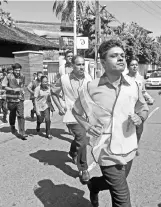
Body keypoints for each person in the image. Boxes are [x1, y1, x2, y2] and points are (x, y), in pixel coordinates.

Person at [72, 39, 149, 207]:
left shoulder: (133, 85)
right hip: (105, 149)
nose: (121, 58)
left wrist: (140, 117)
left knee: (113, 182)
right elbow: (76, 111)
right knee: (122, 196)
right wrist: (87, 126)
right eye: (114, 56)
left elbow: (142, 107)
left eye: (122, 55)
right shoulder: (91, 87)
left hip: (128, 146)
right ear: (103, 62)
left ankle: (94, 185)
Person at [51, 55, 93, 184]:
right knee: (82, 139)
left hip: (86, 114)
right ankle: (83, 169)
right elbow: (53, 92)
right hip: (71, 114)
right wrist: (59, 107)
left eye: (82, 64)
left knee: (80, 139)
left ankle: (72, 151)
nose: (81, 67)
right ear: (72, 66)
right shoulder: (63, 79)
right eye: (78, 65)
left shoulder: (88, 78)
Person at [2, 63, 28, 140]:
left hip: (20, 99)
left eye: (19, 70)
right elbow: (4, 86)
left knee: (21, 115)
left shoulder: (22, 76)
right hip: (11, 99)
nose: (17, 72)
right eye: (16, 70)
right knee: (12, 113)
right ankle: (12, 125)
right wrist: (13, 89)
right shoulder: (8, 77)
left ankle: (22, 132)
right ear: (13, 70)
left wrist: (22, 90)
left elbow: (22, 85)